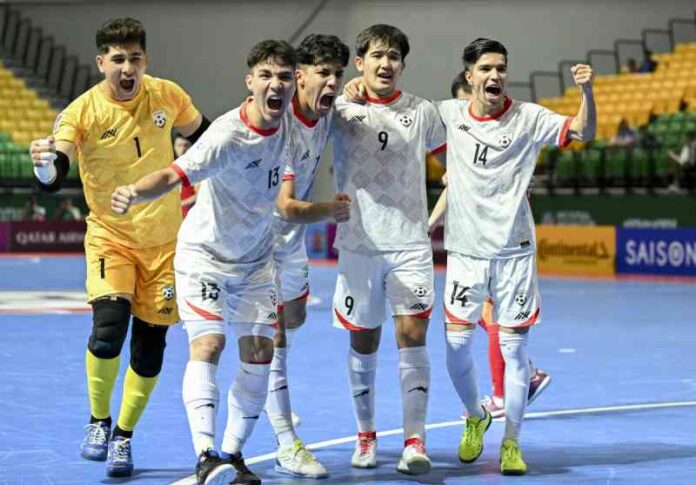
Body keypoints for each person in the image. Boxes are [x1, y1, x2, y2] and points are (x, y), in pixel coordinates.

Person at [111, 39, 351, 485]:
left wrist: (343, 88)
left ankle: (234, 455)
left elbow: (328, 105)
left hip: (256, 259)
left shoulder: (294, 127)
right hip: (206, 256)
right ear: (250, 83)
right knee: (210, 344)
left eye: (282, 76)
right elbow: (171, 175)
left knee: (261, 351)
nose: (275, 84)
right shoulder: (227, 134)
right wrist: (132, 192)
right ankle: (205, 455)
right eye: (266, 76)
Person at [28, 18, 208, 478]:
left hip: (166, 243)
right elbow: (58, 168)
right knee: (108, 331)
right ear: (101, 63)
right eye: (118, 59)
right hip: (111, 236)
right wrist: (47, 169)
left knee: (150, 350)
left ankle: (123, 437)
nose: (127, 68)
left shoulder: (168, 94)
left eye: (135, 59)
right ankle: (98, 421)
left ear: (145, 61)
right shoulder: (81, 112)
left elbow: (204, 136)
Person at [436, 38, 595, 475]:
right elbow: (397, 116)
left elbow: (584, 131)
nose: (495, 75)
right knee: (455, 346)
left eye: (501, 68)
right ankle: (475, 414)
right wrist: (357, 91)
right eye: (486, 68)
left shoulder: (528, 117)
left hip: (515, 253)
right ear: (469, 76)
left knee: (515, 351)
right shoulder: (448, 115)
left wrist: (586, 93)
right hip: (466, 253)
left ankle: (511, 442)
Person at [331, 24, 446, 476]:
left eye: (394, 56)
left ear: (402, 64)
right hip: (359, 244)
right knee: (365, 339)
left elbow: (453, 154)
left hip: (410, 243)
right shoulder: (340, 109)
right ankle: (366, 435)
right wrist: (342, 89)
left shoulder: (422, 111)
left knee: (413, 337)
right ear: (360, 62)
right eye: (377, 55)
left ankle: (415, 441)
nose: (386, 63)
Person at [428, 73, 552, 420]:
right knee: (486, 317)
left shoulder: (510, 133)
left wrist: (431, 223)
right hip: (477, 244)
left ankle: (506, 391)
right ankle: (522, 376)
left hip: (502, 243)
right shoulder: (467, 139)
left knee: (492, 317)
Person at [266, 33, 350, 479]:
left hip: (291, 239)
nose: (333, 81)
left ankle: (266, 381)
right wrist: (331, 212)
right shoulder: (279, 123)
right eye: (324, 72)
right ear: (299, 77)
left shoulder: (328, 111)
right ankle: (286, 441)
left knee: (294, 317)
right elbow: (284, 204)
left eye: (339, 73)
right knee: (273, 335)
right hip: (257, 239)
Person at [173, 134, 197, 217]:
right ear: (174, 147)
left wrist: (181, 204)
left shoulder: (197, 168)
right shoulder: (169, 168)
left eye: (186, 145)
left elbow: (201, 195)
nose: (182, 149)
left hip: (192, 217)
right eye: (179, 145)